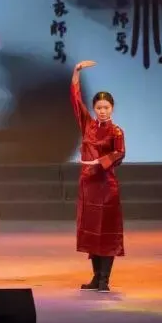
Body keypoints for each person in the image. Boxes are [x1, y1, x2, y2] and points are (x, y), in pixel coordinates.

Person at [70, 60, 126, 292]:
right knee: (92, 232)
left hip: (106, 186)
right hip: (88, 186)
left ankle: (105, 279)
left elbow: (120, 153)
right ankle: (95, 277)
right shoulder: (88, 125)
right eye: (99, 107)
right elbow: (76, 101)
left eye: (106, 107)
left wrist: (99, 162)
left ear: (112, 108)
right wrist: (76, 72)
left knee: (107, 232)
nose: (102, 111)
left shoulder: (116, 131)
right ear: (94, 108)